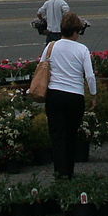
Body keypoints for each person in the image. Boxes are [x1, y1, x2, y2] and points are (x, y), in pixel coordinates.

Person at [43, 10, 97, 179]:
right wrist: (93, 95)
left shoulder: (51, 46)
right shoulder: (82, 49)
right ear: (76, 30)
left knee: (57, 134)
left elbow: (42, 65)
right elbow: (89, 75)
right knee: (71, 134)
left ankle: (60, 171)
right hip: (75, 96)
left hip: (54, 94)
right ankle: (70, 171)